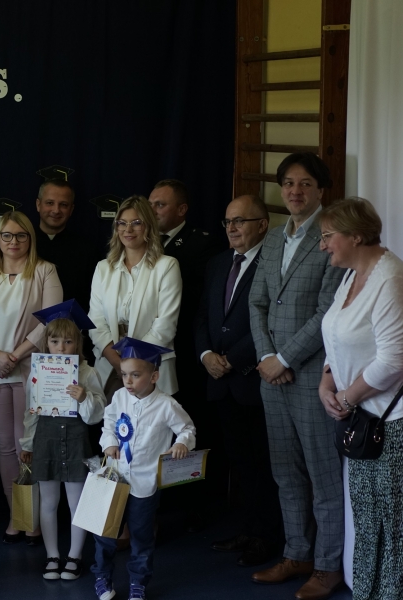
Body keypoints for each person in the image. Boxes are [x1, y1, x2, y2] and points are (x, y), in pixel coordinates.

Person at [248, 152, 344, 600]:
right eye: (288, 183)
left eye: (305, 183)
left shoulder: (331, 236)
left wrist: (284, 358)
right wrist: (267, 356)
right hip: (271, 376)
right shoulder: (272, 239)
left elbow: (328, 311)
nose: (295, 191)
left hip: (311, 376)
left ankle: (327, 566)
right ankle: (297, 553)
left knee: (324, 477)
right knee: (285, 473)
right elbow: (257, 303)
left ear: (320, 190)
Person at [316, 197, 403, 599]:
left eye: (327, 236)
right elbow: (337, 335)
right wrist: (326, 382)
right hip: (362, 419)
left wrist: (347, 397)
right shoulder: (352, 276)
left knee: (394, 527)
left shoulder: (390, 279)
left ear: (355, 236)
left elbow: (394, 360)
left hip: (392, 423)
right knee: (368, 524)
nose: (323, 245)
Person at [195, 195, 282, 566]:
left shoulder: (273, 263)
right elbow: (202, 316)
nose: (231, 228)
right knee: (239, 462)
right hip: (220, 381)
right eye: (228, 221)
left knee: (263, 463)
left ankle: (267, 537)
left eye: (240, 221)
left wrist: (233, 359)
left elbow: (272, 322)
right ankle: (247, 529)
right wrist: (205, 355)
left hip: (253, 380)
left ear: (262, 225)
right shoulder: (217, 263)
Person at [0, 210, 63, 543]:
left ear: (30, 238)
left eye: (21, 235)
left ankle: (33, 519)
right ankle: (16, 517)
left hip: (30, 371)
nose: (13, 241)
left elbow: (51, 321)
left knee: (29, 447)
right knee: (6, 447)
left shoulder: (44, 271)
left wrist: (15, 355)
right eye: (6, 235)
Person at [93, 337, 196, 600]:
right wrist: (109, 442)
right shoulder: (119, 397)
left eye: (135, 375)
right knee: (105, 533)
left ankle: (138, 581)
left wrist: (182, 443)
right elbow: (109, 422)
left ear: (154, 376)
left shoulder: (166, 405)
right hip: (115, 478)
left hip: (145, 483)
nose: (127, 381)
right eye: (124, 374)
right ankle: (102, 576)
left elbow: (187, 428)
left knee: (141, 536)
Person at [148, 180, 222, 529]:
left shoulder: (202, 244)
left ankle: (189, 507)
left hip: (186, 351)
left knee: (186, 427)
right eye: (151, 204)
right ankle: (154, 502)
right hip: (148, 354)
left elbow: (200, 301)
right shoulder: (143, 241)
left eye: (161, 205)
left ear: (182, 210)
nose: (153, 211)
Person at [19, 300, 105, 581]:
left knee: (77, 503)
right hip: (46, 440)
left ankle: (75, 556)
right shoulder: (38, 372)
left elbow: (97, 415)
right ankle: (52, 555)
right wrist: (28, 444)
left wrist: (84, 397)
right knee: (48, 502)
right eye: (55, 341)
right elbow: (31, 410)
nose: (61, 348)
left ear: (77, 343)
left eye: (68, 341)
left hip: (77, 440)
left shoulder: (88, 372)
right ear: (46, 342)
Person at [88, 196, 181, 398]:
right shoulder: (103, 268)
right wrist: (117, 362)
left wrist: (132, 365)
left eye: (136, 223)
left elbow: (165, 326)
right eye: (122, 223)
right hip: (110, 365)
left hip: (152, 367)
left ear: (149, 226)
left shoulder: (167, 266)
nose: (128, 229)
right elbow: (95, 321)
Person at [34, 179, 102, 314]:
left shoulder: (87, 251)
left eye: (63, 205)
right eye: (50, 203)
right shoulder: (21, 245)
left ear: (71, 209)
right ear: (38, 205)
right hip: (26, 325)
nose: (56, 210)